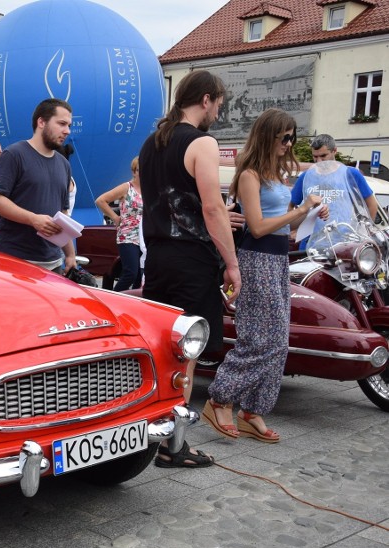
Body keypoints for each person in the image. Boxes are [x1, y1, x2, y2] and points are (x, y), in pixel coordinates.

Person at [203, 109, 328, 444]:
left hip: (276, 258)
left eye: (292, 137)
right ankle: (220, 397)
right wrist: (300, 210)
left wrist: (309, 215)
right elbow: (257, 227)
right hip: (256, 259)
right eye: (284, 137)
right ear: (268, 135)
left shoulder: (275, 174)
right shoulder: (250, 174)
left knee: (278, 340)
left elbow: (286, 228)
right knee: (260, 338)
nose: (289, 144)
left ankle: (254, 409)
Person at [138, 69, 241, 469]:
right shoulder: (202, 142)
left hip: (159, 257)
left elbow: (164, 202)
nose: (218, 111)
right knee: (187, 352)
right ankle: (173, 444)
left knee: (163, 349)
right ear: (206, 99)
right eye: (218, 103)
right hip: (191, 259)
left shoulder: (151, 144)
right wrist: (231, 264)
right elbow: (213, 207)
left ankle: (154, 430)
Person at [0, 98, 76, 273]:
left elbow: (62, 214)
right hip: (14, 261)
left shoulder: (63, 164)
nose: (67, 131)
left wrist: (70, 254)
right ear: (41, 122)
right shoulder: (14, 154)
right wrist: (33, 219)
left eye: (69, 126)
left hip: (53, 263)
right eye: (62, 124)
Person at [289, 133, 378, 248]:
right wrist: (295, 227)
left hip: (344, 242)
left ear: (334, 151)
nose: (319, 161)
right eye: (315, 157)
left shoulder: (350, 173)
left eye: (323, 156)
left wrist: (365, 230)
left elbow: (371, 204)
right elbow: (290, 205)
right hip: (311, 243)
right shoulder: (306, 176)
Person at [95, 157, 143, 290]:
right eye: (140, 170)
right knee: (130, 273)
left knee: (140, 277)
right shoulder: (126, 187)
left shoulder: (148, 189)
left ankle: (131, 304)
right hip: (127, 236)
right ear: (134, 172)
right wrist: (115, 218)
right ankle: (112, 299)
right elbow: (101, 200)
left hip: (143, 238)